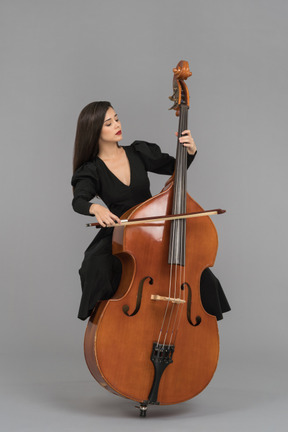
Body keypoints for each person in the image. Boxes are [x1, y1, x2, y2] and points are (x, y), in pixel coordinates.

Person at [71, 101, 230, 321]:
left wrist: (190, 151)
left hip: (154, 226)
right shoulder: (91, 170)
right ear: (94, 130)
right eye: (109, 123)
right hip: (121, 230)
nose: (117, 124)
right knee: (95, 265)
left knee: (196, 273)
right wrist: (95, 207)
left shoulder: (137, 152)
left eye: (116, 118)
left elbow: (175, 168)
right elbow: (78, 200)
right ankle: (108, 319)